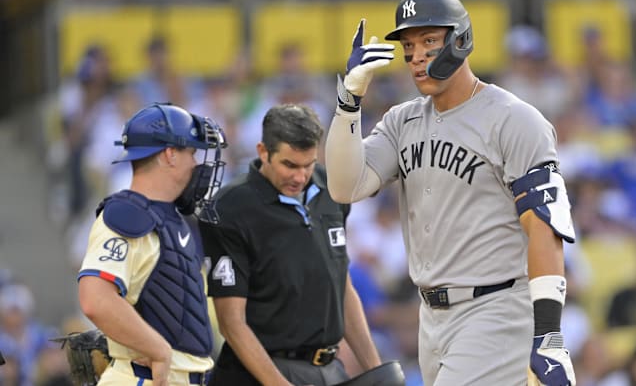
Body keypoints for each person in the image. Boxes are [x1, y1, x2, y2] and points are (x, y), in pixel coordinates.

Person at [326, 0, 577, 386]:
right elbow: (343, 186)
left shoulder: (514, 119)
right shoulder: (401, 121)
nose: (417, 56)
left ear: (460, 40)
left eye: (429, 41)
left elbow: (543, 225)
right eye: (409, 45)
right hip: (431, 318)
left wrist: (548, 333)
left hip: (495, 309)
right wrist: (348, 102)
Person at [198, 104, 399, 385]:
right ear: (263, 151)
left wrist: (375, 371)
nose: (300, 177)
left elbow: (341, 287)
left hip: (329, 369)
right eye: (289, 165)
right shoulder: (229, 208)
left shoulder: (333, 189)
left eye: (308, 164)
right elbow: (232, 323)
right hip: (261, 373)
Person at [76, 103, 227, 386]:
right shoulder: (126, 215)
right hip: (144, 378)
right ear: (170, 154)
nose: (196, 164)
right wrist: (156, 348)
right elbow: (95, 299)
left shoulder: (171, 217)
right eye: (191, 153)